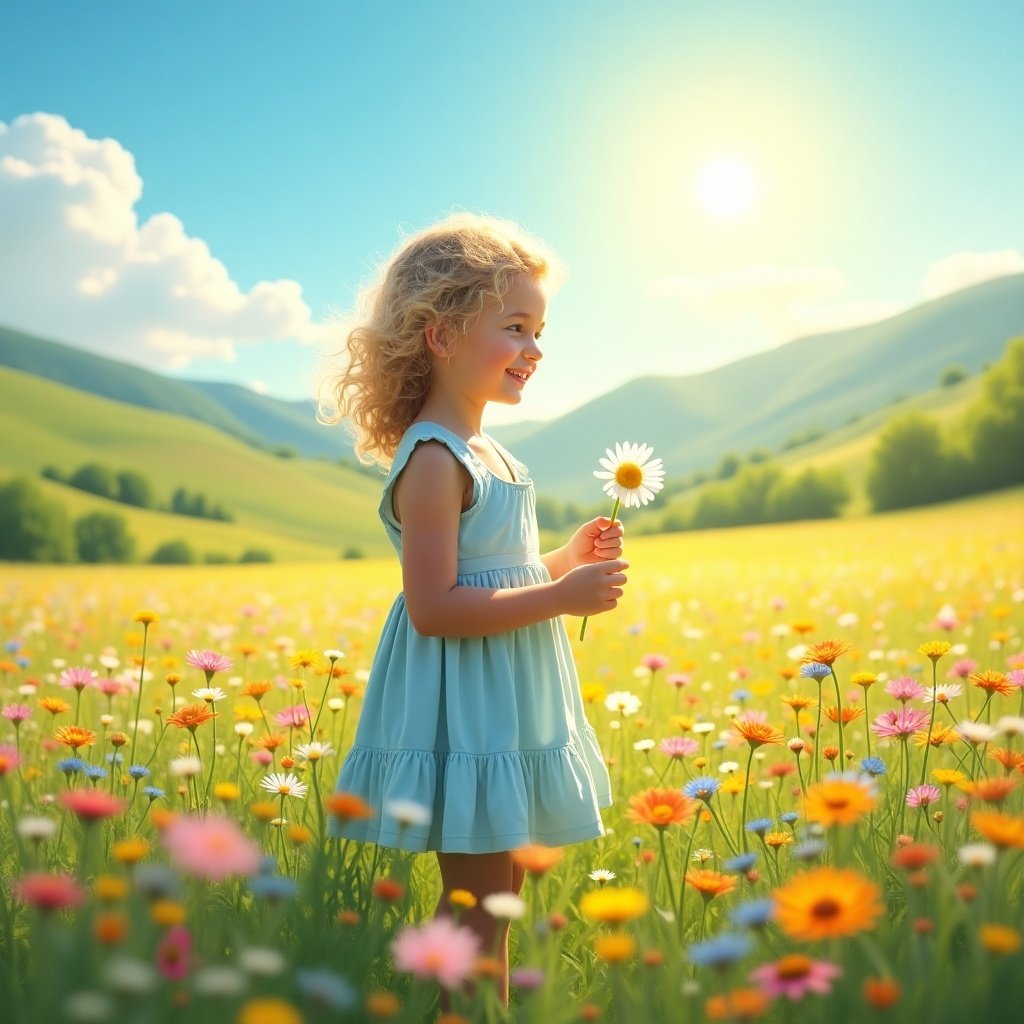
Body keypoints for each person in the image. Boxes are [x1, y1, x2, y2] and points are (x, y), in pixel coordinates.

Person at [321, 212, 626, 1005]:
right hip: (471, 715)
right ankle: (453, 1006)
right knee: (478, 904)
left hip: (509, 702)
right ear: (441, 335)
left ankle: (468, 1003)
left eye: (540, 329)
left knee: (501, 894)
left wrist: (563, 561)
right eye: (515, 327)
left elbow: (497, 571)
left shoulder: (493, 453)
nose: (536, 347)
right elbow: (434, 607)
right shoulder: (432, 459)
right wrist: (560, 596)